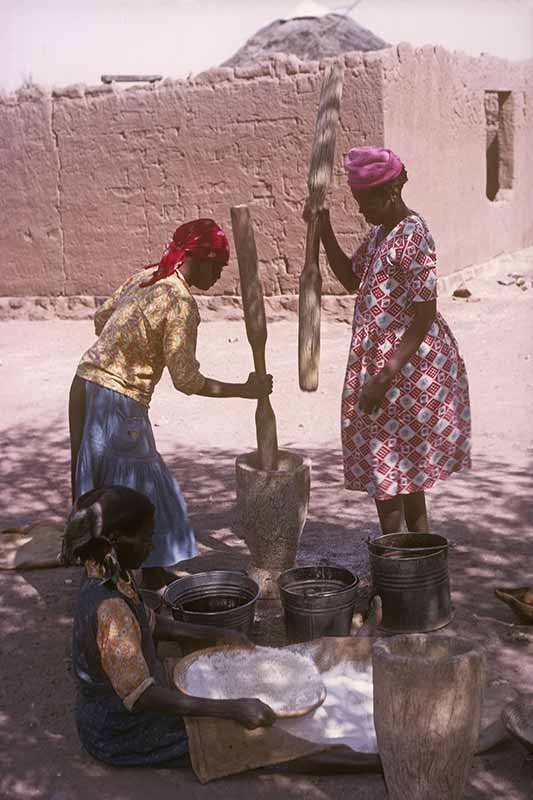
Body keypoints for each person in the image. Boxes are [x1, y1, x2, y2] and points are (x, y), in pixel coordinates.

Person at [68, 219, 273, 590]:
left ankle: (139, 569)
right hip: (119, 401)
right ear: (198, 257)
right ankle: (121, 582)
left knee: (95, 483)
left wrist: (132, 341)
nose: (218, 276)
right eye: (217, 266)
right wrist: (245, 390)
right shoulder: (180, 302)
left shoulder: (147, 276)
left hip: (83, 385)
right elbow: (187, 380)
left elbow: (102, 320)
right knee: (140, 495)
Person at [62, 485, 277, 768]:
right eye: (146, 538)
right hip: (121, 731)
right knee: (253, 741)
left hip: (112, 709)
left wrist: (218, 634)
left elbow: (148, 623)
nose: (151, 546)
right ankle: (351, 760)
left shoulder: (106, 568)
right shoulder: (110, 608)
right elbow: (142, 697)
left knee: (211, 671)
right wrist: (231, 709)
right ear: (115, 539)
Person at [316, 147, 471, 535]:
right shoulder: (380, 234)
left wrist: (386, 375)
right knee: (394, 470)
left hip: (407, 371)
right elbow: (353, 280)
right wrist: (324, 232)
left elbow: (423, 315)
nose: (361, 210)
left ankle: (405, 565)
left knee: (397, 471)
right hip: (383, 366)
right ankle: (409, 562)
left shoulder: (414, 235)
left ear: (388, 193)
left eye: (364, 201)